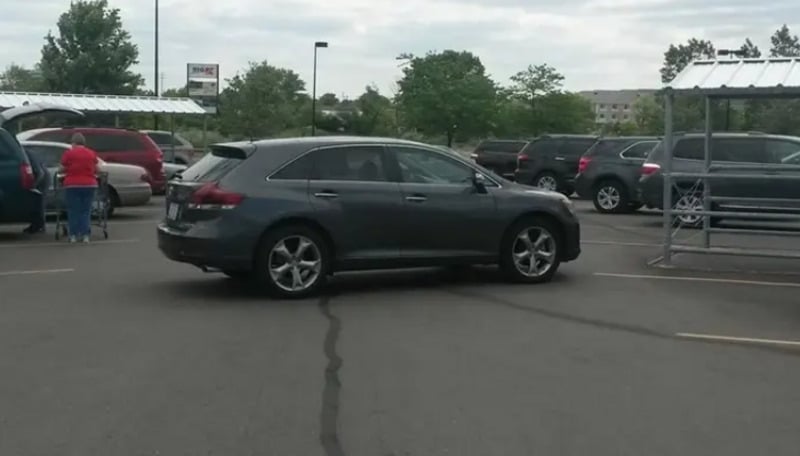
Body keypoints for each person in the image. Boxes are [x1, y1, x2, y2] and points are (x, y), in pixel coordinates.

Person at [60, 133, 98, 243]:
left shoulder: (69, 153)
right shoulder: (91, 153)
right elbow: (97, 168)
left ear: (73, 143)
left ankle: (73, 235)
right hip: (89, 184)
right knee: (85, 210)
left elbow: (61, 168)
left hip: (72, 184)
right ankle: (85, 235)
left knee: (73, 210)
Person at [22, 146, 50, 234]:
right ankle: (35, 224)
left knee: (40, 202)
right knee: (34, 202)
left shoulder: (28, 154)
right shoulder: (26, 153)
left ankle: (41, 226)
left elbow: (40, 172)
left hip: (42, 179)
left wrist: (34, 185)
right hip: (38, 176)